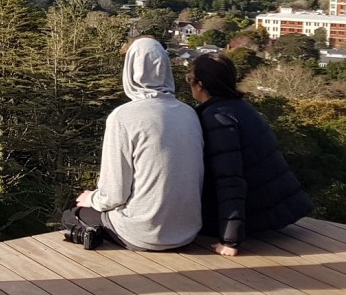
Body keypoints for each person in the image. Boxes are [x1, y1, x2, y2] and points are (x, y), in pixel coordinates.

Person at [64, 36, 204, 251]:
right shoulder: (189, 114)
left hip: (143, 233)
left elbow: (114, 194)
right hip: (188, 231)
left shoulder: (123, 117)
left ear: (130, 70)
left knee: (72, 215)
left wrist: (90, 198)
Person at [188, 51, 313, 257]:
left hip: (256, 218)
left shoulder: (217, 118)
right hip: (278, 208)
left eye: (190, 79)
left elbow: (229, 178)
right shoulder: (241, 108)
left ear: (200, 84)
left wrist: (230, 239)